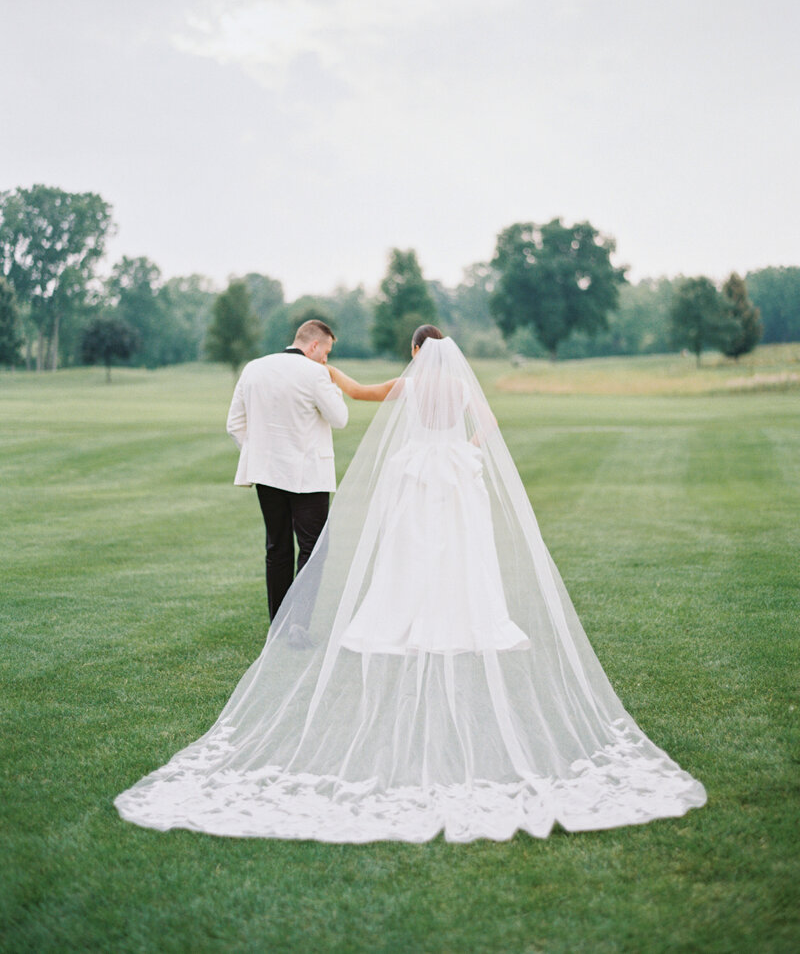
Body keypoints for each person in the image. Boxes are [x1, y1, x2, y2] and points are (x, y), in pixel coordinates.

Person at [116, 327, 706, 842]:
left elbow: (358, 395)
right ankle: (467, 616)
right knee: (461, 549)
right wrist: (465, 450)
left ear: (419, 351)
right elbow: (490, 425)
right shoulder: (460, 386)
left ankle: (404, 615)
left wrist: (326, 367)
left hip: (418, 466)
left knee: (412, 548)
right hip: (454, 467)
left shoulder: (412, 384)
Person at [225, 319, 348, 635]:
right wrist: (333, 385)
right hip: (309, 475)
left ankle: (277, 625)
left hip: (267, 473)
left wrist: (259, 454)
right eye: (326, 353)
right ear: (313, 346)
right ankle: (298, 623)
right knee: (313, 549)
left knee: (276, 547)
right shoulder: (315, 372)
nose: (326, 360)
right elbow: (340, 418)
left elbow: (234, 424)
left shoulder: (253, 368)